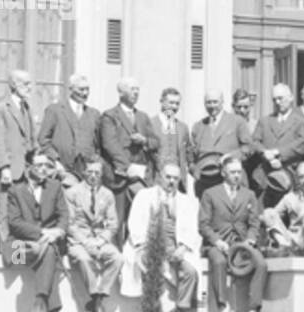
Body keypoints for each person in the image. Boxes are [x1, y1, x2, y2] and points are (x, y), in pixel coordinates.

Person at [121, 162, 201, 312]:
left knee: (191, 272)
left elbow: (193, 230)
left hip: (174, 247)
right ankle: (151, 310)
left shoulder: (186, 201)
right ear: (160, 177)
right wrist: (143, 246)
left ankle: (180, 310)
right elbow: (135, 222)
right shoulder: (144, 196)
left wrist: (183, 247)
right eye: (168, 177)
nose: (171, 181)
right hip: (149, 244)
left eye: (175, 178)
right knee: (147, 266)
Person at [198, 153, 266, 312]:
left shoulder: (249, 195)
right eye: (232, 172)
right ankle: (222, 310)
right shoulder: (210, 194)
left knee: (260, 263)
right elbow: (203, 225)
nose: (237, 176)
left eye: (239, 172)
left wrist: (251, 239)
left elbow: (254, 223)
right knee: (219, 262)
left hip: (241, 244)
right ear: (223, 173)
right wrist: (217, 241)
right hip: (217, 244)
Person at [2, 151, 67, 312]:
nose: (44, 169)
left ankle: (40, 302)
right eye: (39, 165)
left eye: (47, 165)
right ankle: (52, 308)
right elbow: (14, 223)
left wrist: (58, 232)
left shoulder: (55, 187)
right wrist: (42, 233)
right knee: (49, 252)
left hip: (50, 242)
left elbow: (64, 215)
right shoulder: (15, 190)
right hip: (19, 247)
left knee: (50, 250)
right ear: (28, 167)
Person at [98, 77, 159, 243]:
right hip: (117, 176)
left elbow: (155, 142)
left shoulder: (143, 117)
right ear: (120, 92)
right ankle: (116, 255)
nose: (136, 92)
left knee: (139, 219)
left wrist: (144, 140)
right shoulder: (110, 116)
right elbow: (110, 145)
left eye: (137, 89)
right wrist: (127, 166)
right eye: (132, 89)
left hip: (139, 177)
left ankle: (134, 254)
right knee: (116, 221)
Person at [64, 159, 123, 312]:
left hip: (99, 240)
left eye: (97, 173)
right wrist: (85, 241)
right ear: (84, 173)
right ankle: (93, 294)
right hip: (78, 241)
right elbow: (70, 224)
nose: (93, 176)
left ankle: (101, 296)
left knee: (117, 258)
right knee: (83, 259)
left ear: (101, 175)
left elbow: (113, 224)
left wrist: (101, 240)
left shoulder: (107, 194)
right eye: (90, 172)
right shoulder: (72, 193)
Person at [0, 68, 36, 252]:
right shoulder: (1, 108)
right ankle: (3, 259)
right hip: (9, 172)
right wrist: (4, 167)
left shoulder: (27, 108)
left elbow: (31, 140)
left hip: (25, 172)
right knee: (5, 215)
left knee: (20, 217)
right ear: (14, 85)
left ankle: (13, 257)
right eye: (26, 84)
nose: (30, 87)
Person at [250, 83, 304, 208]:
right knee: (264, 214)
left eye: (280, 98)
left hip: (289, 177)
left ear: (291, 98)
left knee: (288, 213)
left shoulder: (301, 122)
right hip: (265, 177)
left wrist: (278, 153)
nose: (277, 102)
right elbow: (254, 141)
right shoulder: (265, 121)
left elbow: (303, 144)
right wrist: (265, 153)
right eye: (274, 99)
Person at [37, 73, 100, 184]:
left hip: (87, 172)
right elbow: (43, 139)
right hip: (62, 169)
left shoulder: (94, 114)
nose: (85, 93)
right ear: (71, 89)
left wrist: (95, 162)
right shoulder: (54, 110)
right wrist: (55, 160)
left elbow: (98, 144)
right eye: (81, 89)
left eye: (87, 89)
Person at [190, 90, 253, 199]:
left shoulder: (237, 121)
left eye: (215, 102)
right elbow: (191, 156)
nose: (212, 106)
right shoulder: (198, 126)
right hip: (205, 184)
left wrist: (231, 156)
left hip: (231, 182)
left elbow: (248, 147)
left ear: (222, 102)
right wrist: (196, 171)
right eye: (208, 102)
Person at [152, 87, 191, 192]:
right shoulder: (150, 124)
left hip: (177, 183)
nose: (174, 107)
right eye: (171, 103)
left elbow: (189, 153)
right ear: (162, 101)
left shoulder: (183, 127)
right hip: (155, 180)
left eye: (177, 103)